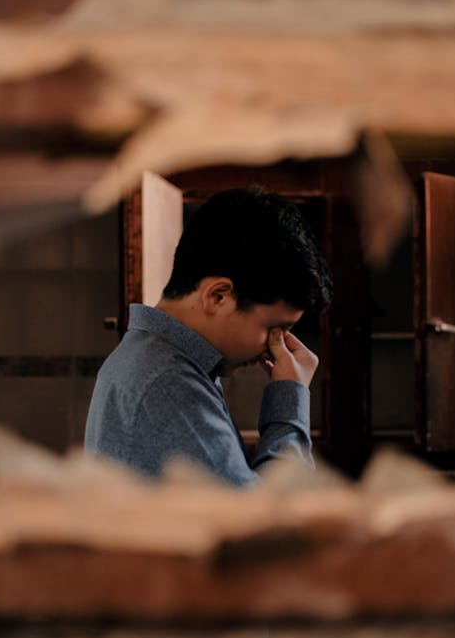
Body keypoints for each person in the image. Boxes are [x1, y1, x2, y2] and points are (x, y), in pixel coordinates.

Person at [85, 187, 332, 486]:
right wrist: (290, 396)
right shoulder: (168, 383)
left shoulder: (161, 361)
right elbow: (268, 523)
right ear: (217, 296)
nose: (276, 344)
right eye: (272, 328)